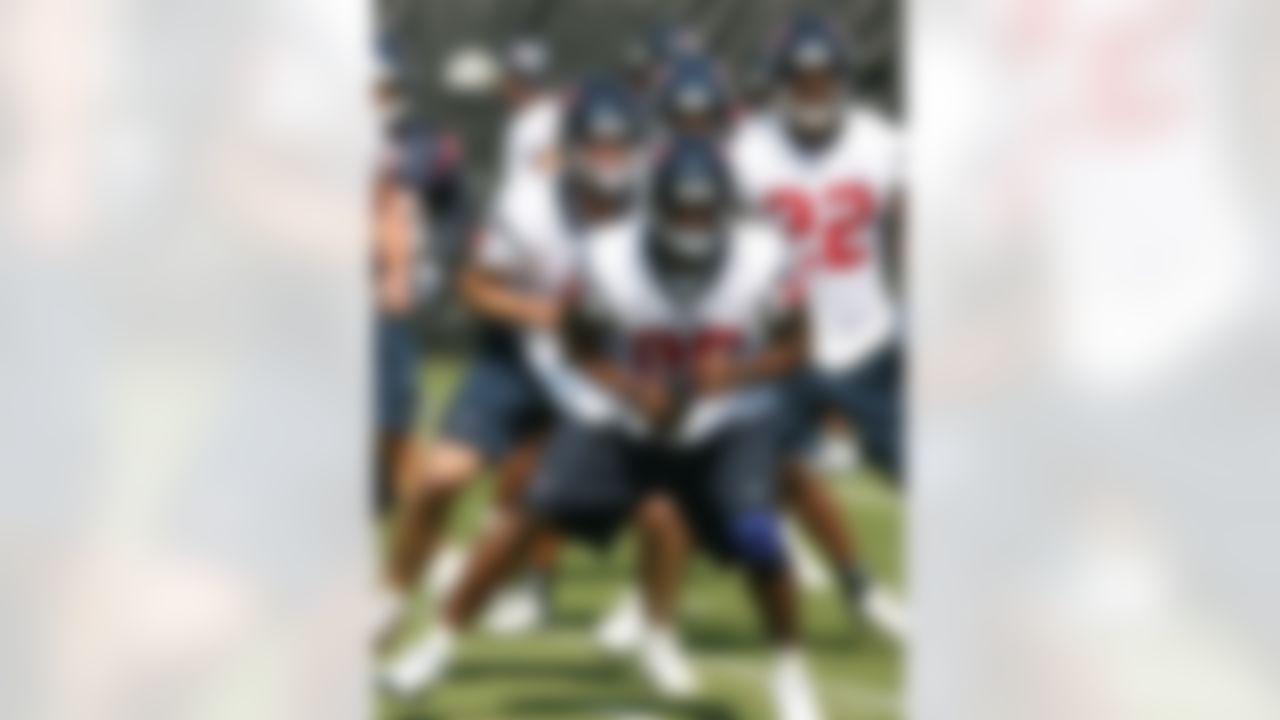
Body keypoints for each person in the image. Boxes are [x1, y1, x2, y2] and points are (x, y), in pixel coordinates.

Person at [382, 137, 827, 720]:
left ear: (725, 209)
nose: (693, 223)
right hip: (622, 418)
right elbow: (575, 340)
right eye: (681, 209)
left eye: (704, 211)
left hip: (725, 420)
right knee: (531, 513)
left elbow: (801, 344)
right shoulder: (610, 255)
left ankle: (791, 676)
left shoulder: (762, 256)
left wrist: (738, 373)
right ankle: (437, 645)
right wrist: (629, 389)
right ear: (656, 205)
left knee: (758, 536)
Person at [376, 76, 650, 642]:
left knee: (658, 493)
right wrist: (544, 314)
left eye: (620, 143)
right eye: (598, 143)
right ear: (572, 146)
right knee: (437, 478)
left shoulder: (656, 205)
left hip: (609, 365)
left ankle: (643, 613)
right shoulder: (530, 204)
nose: (610, 156)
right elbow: (474, 286)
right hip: (521, 356)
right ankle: (392, 594)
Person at [730, 11, 908, 635]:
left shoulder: (881, 142)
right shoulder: (747, 150)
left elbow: (911, 223)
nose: (814, 90)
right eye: (801, 79)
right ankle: (848, 593)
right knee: (756, 488)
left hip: (866, 339)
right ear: (780, 81)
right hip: (782, 348)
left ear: (844, 79)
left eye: (824, 78)